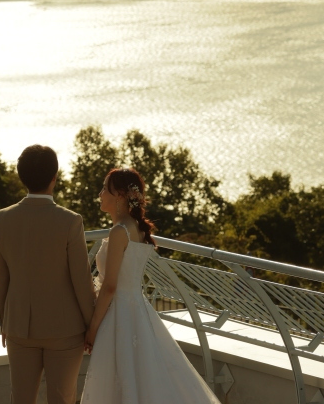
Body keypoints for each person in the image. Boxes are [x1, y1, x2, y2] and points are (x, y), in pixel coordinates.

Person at [81, 167, 220, 404]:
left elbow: (111, 286)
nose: (100, 193)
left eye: (105, 188)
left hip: (118, 316)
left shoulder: (118, 231)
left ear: (121, 195)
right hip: (138, 311)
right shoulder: (135, 229)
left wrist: (92, 328)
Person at [0, 144, 96, 404]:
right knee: (63, 399)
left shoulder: (0, 219)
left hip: (18, 328)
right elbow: (81, 280)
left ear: (21, 177)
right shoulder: (70, 221)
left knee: (21, 399)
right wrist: (92, 326)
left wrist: (6, 321)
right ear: (54, 178)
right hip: (65, 329)